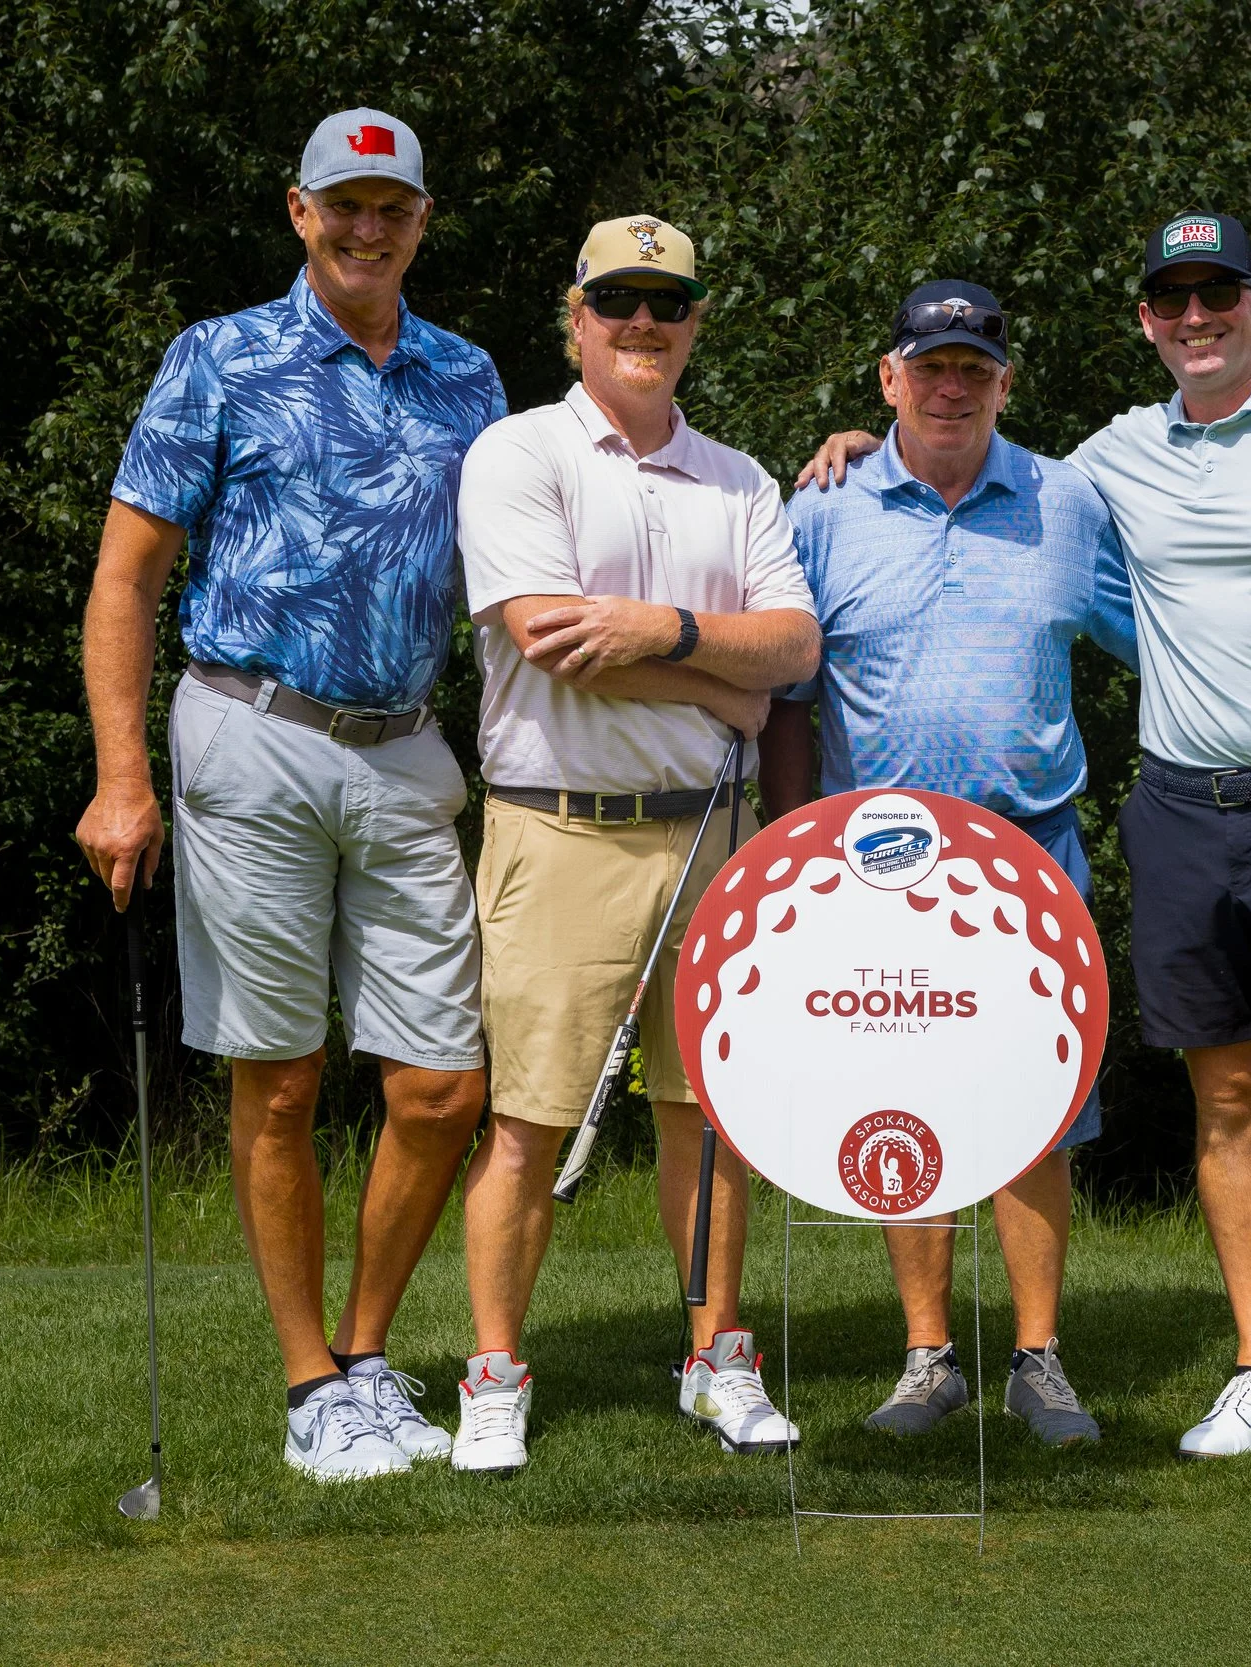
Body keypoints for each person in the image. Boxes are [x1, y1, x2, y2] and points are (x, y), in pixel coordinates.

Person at [795, 213, 1251, 1487]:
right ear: (1146, 322)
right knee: (1223, 1096)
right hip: (1169, 810)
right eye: (1173, 299)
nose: (1196, 316)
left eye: (1218, 293)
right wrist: (849, 451)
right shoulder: (1106, 461)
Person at [74, 110, 501, 1482]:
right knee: (280, 1079)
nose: (368, 229)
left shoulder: (467, 376)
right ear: (298, 211)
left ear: (421, 222)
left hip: (406, 746)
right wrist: (122, 776)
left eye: (393, 208)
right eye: (344, 205)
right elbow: (129, 576)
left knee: (440, 1083)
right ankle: (310, 1378)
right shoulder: (221, 356)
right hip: (249, 731)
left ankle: (372, 1356)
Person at [451, 215, 821, 1473]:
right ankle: (494, 1372)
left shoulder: (740, 478)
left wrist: (656, 630)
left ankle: (717, 1357)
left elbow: (794, 649)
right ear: (576, 314)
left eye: (667, 303)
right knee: (530, 1119)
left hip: (716, 839)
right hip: (559, 830)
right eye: (618, 299)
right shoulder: (520, 451)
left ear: (695, 322)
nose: (644, 323)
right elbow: (553, 636)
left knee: (706, 1115)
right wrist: (718, 678)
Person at [761, 281, 1136, 1448]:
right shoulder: (821, 509)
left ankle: (1037, 1355)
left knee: (1036, 1114)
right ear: (889, 378)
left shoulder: (1067, 503)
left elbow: (1159, 638)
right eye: (931, 365)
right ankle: (929, 1355)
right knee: (905, 1097)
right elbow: (785, 698)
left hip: (1032, 856)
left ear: (1005, 384)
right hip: (875, 870)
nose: (952, 385)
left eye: (975, 366)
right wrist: (789, 851)